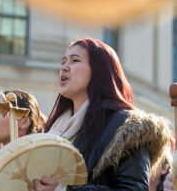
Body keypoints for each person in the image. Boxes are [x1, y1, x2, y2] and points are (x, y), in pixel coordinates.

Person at [28, 38, 171, 191]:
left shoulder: (127, 127)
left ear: (99, 70)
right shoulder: (51, 131)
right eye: (63, 61)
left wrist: (63, 190)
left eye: (75, 60)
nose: (64, 67)